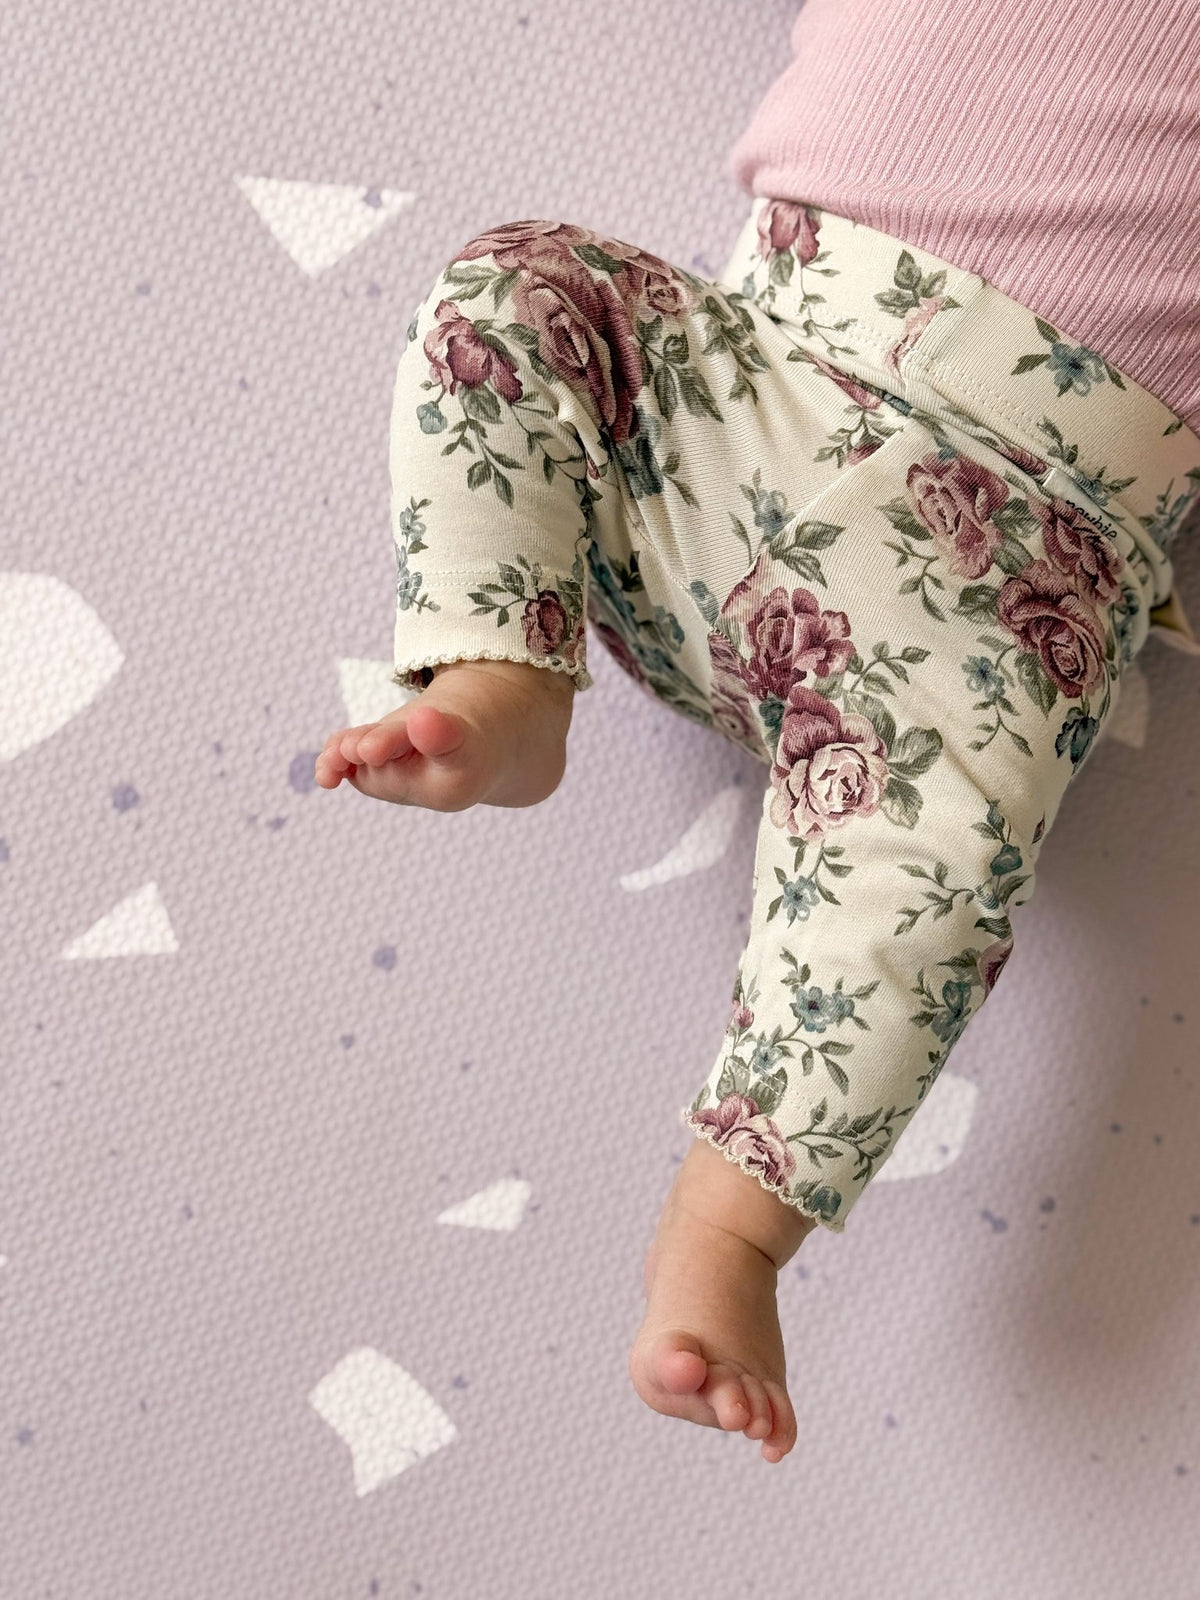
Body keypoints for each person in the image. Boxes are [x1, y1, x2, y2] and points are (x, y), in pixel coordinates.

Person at [315, 0, 1200, 1465]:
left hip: (1008, 576)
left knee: (926, 884)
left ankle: (729, 1225)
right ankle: (498, 671)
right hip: (733, 395)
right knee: (513, 290)